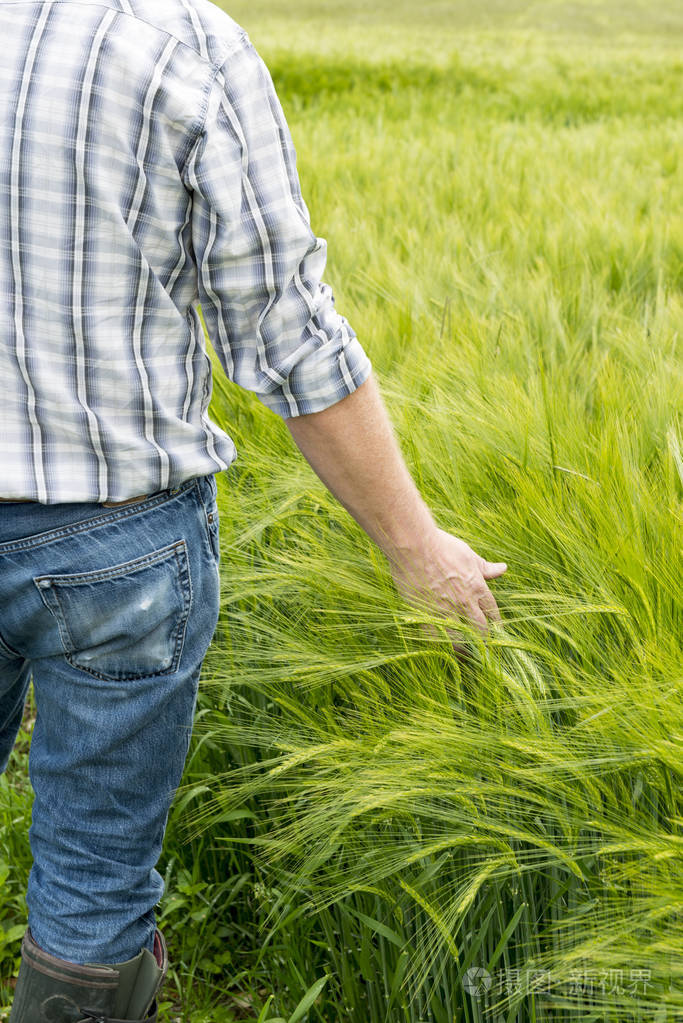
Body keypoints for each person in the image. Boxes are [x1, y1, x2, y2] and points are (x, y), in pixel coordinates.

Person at [0, 1, 507, 1019]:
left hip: (115, 538)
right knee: (95, 877)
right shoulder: (176, 39)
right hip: (117, 535)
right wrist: (416, 550)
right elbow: (285, 328)